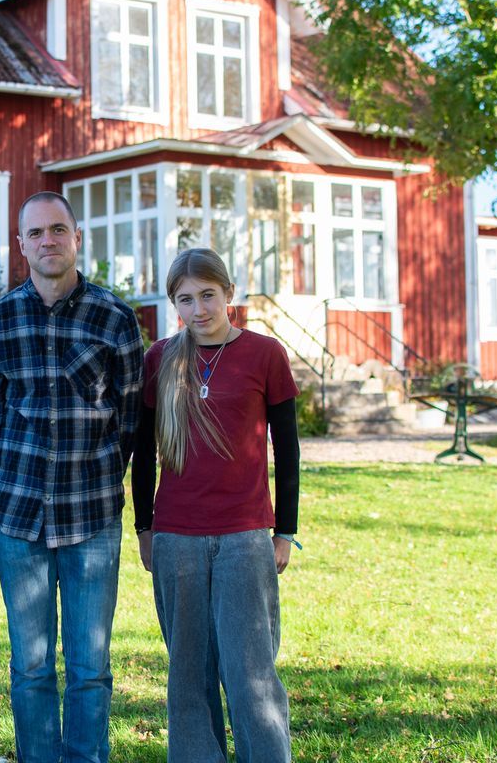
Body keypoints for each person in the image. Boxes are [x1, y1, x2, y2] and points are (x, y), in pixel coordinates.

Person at [0, 191, 144, 763]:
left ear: (76, 238)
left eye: (58, 230)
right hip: (19, 518)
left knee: (90, 666)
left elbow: (130, 418)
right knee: (31, 665)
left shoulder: (115, 319)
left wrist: (96, 471)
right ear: (21, 245)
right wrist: (19, 471)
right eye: (36, 233)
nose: (48, 241)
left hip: (92, 515)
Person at [130, 247, 300, 763]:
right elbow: (143, 451)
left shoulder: (265, 354)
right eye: (186, 299)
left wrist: (284, 531)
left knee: (250, 672)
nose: (198, 309)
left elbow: (287, 450)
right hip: (176, 536)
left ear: (229, 293)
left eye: (208, 295)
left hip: (244, 537)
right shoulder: (160, 358)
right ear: (173, 304)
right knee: (188, 675)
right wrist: (143, 527)